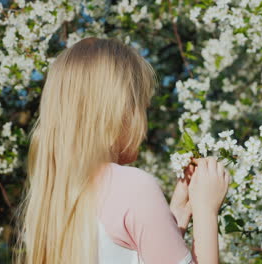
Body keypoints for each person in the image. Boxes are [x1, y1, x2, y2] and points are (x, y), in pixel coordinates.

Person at [13, 37, 230, 264]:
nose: (145, 123)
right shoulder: (133, 186)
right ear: (120, 111)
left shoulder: (53, 200)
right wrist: (206, 210)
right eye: (143, 107)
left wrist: (175, 216)